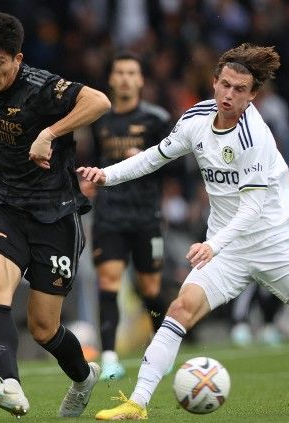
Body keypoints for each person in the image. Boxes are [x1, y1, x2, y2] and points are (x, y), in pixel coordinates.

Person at [78, 43, 289, 420]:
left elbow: (252, 208)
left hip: (273, 242)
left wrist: (213, 244)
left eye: (240, 90)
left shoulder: (254, 136)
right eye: (225, 85)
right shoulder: (195, 120)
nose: (230, 95)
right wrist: (106, 175)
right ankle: (137, 404)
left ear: (252, 95)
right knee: (179, 309)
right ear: (214, 82)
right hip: (227, 249)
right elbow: (156, 155)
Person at [0, 0, 111, 418]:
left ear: (18, 60)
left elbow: (100, 101)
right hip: (7, 207)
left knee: (43, 328)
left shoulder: (43, 87)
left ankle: (83, 377)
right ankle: (11, 386)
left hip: (55, 216)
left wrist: (50, 131)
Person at [86, 52, 171, 381]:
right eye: (119, 72)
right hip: (109, 213)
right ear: (110, 79)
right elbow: (94, 158)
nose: (124, 78)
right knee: (108, 282)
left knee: (150, 288)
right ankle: (109, 357)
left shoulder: (157, 119)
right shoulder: (99, 119)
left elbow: (177, 164)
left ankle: (161, 348)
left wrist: (148, 158)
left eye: (131, 72)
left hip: (146, 214)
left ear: (140, 80)